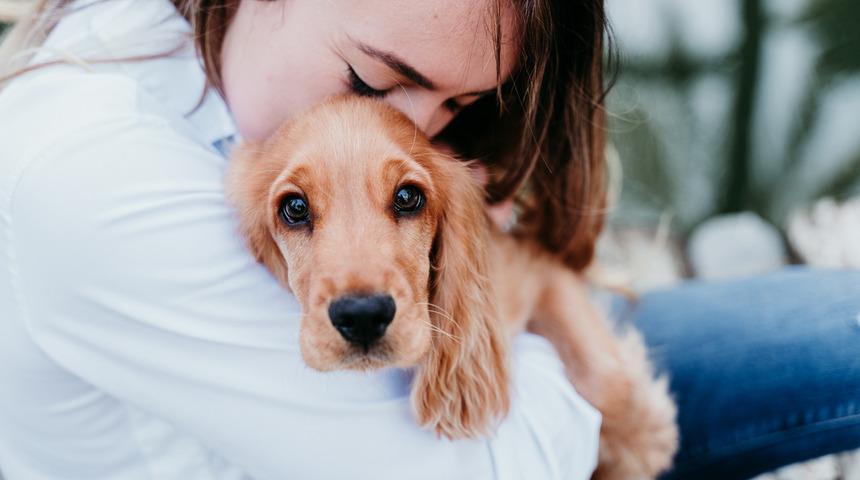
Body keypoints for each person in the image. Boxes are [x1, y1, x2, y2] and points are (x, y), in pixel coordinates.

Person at [0, 0, 857, 479]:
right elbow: (489, 468)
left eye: (454, 107)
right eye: (373, 80)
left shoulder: (203, 50)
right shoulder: (94, 179)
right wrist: (561, 339)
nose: (417, 135)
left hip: (509, 376)